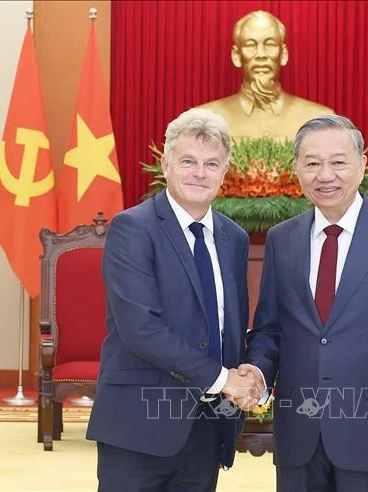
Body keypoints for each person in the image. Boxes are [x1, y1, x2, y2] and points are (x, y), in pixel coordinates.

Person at [239, 115, 368, 491]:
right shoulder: (283, 240)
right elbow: (271, 328)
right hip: (299, 434)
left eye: (338, 162)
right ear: (297, 170)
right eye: (312, 163)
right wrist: (258, 371)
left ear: (362, 166)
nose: (325, 175)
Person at [86, 108, 263, 492]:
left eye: (211, 163)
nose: (200, 172)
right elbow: (141, 329)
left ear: (224, 172)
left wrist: (250, 373)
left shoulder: (233, 238)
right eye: (188, 161)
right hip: (139, 425)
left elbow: (226, 326)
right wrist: (223, 380)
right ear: (165, 165)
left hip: (207, 426)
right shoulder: (133, 228)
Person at [199, 10, 333, 141]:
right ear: (236, 56)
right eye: (250, 45)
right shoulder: (203, 121)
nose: (261, 55)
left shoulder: (318, 119)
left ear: (283, 54)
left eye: (270, 44)